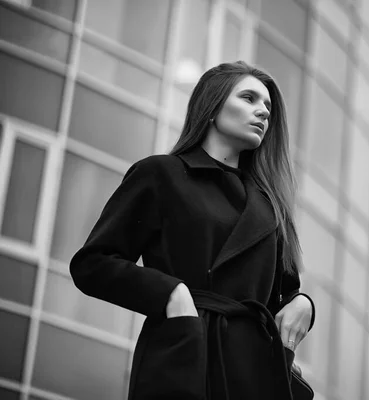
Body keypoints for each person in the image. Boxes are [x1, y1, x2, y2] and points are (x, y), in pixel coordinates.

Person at [70, 60, 315, 400]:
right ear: (212, 106)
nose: (262, 112)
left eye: (267, 106)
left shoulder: (270, 206)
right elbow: (93, 263)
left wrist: (303, 304)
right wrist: (172, 294)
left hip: (252, 372)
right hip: (185, 351)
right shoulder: (162, 174)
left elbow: (284, 293)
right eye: (248, 98)